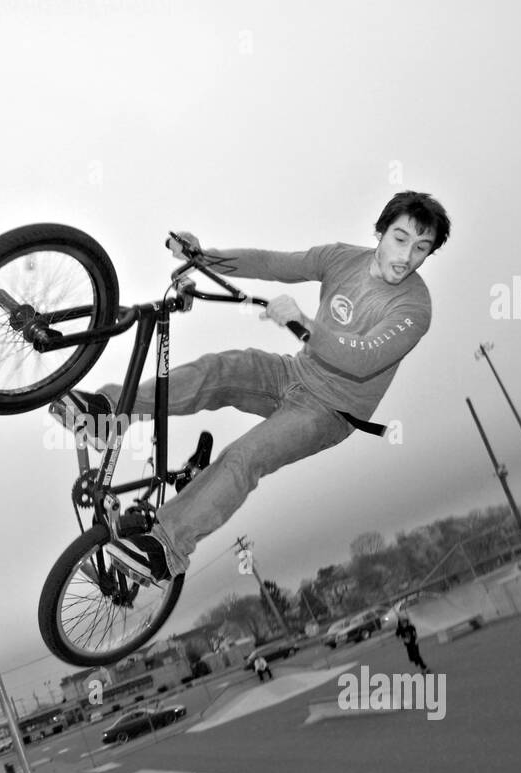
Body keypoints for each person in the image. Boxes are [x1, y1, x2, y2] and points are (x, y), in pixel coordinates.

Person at [51, 191, 451, 583]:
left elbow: (363, 359)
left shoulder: (414, 308)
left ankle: (165, 548)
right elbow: (273, 263)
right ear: (381, 232)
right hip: (293, 374)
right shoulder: (342, 258)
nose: (406, 257)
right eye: (400, 239)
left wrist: (308, 326)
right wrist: (202, 257)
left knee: (245, 456)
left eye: (421, 248)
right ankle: (106, 414)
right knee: (223, 368)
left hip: (330, 412)